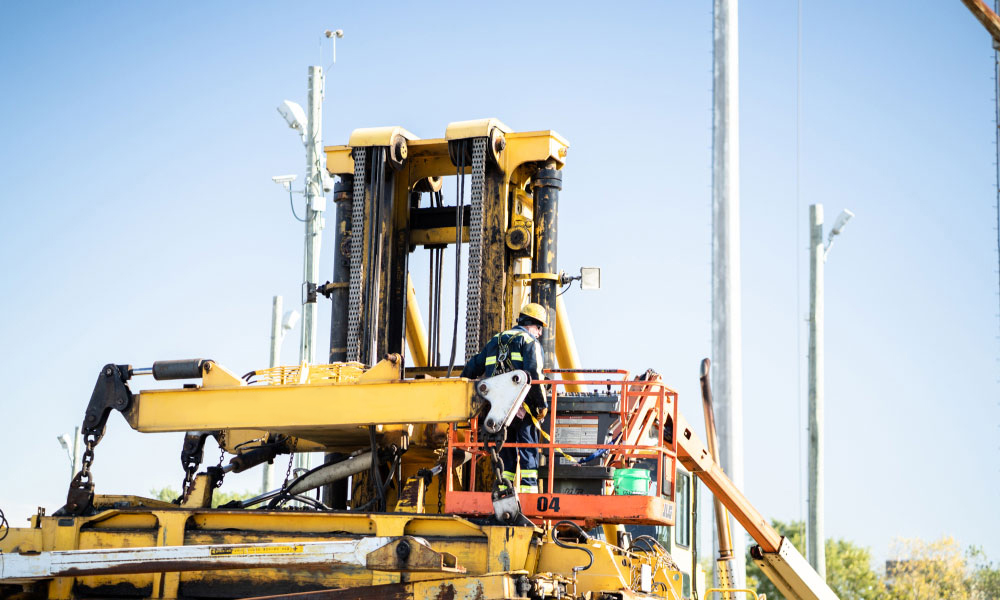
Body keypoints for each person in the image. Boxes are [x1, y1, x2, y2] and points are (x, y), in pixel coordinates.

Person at [461, 303, 549, 493]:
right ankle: (529, 494)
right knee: (528, 451)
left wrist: (459, 388)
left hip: (497, 410)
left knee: (506, 452)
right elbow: (534, 376)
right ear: (532, 324)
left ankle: (504, 491)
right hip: (522, 408)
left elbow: (472, 368)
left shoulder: (496, 340)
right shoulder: (530, 342)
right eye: (539, 328)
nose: (540, 333)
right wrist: (541, 405)